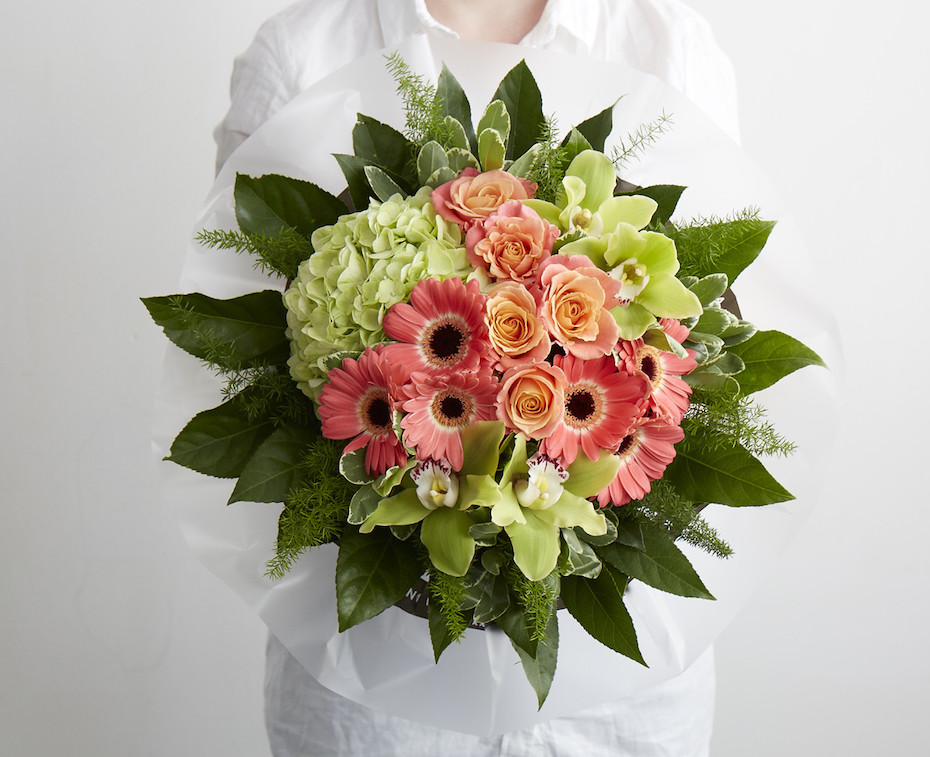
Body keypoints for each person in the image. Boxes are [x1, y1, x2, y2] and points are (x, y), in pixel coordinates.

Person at [214, 2, 741, 754]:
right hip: (370, 690)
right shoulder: (302, 56)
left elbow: (711, 344)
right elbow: (250, 360)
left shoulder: (668, 46)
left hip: (622, 693)